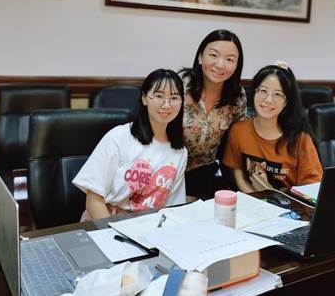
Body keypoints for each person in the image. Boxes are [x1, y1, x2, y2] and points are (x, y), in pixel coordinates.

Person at [73, 69, 187, 220]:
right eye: (159, 96)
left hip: (148, 226)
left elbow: (172, 209)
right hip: (107, 222)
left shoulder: (180, 152)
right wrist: (111, 230)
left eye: (174, 98)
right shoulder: (119, 137)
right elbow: (94, 200)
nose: (167, 105)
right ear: (144, 98)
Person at [223, 62, 323, 192]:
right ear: (254, 93)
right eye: (263, 91)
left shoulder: (300, 139)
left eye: (277, 94)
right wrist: (256, 199)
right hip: (251, 201)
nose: (268, 100)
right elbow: (238, 171)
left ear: (286, 101)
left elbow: (310, 189)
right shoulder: (238, 130)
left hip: (291, 203)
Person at [181, 29, 246, 199]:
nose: (220, 65)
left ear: (237, 65)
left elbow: (236, 141)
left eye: (230, 59)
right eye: (213, 55)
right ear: (200, 57)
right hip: (167, 166)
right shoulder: (180, 86)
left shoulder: (237, 96)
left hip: (203, 171)